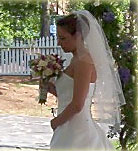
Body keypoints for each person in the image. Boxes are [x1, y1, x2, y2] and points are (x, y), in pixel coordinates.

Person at [41, 10, 126, 151]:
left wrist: (56, 122)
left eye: (63, 38)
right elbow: (70, 94)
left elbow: (78, 104)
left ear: (78, 36)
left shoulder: (83, 62)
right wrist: (48, 86)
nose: (59, 43)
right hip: (69, 125)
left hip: (77, 129)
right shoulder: (75, 59)